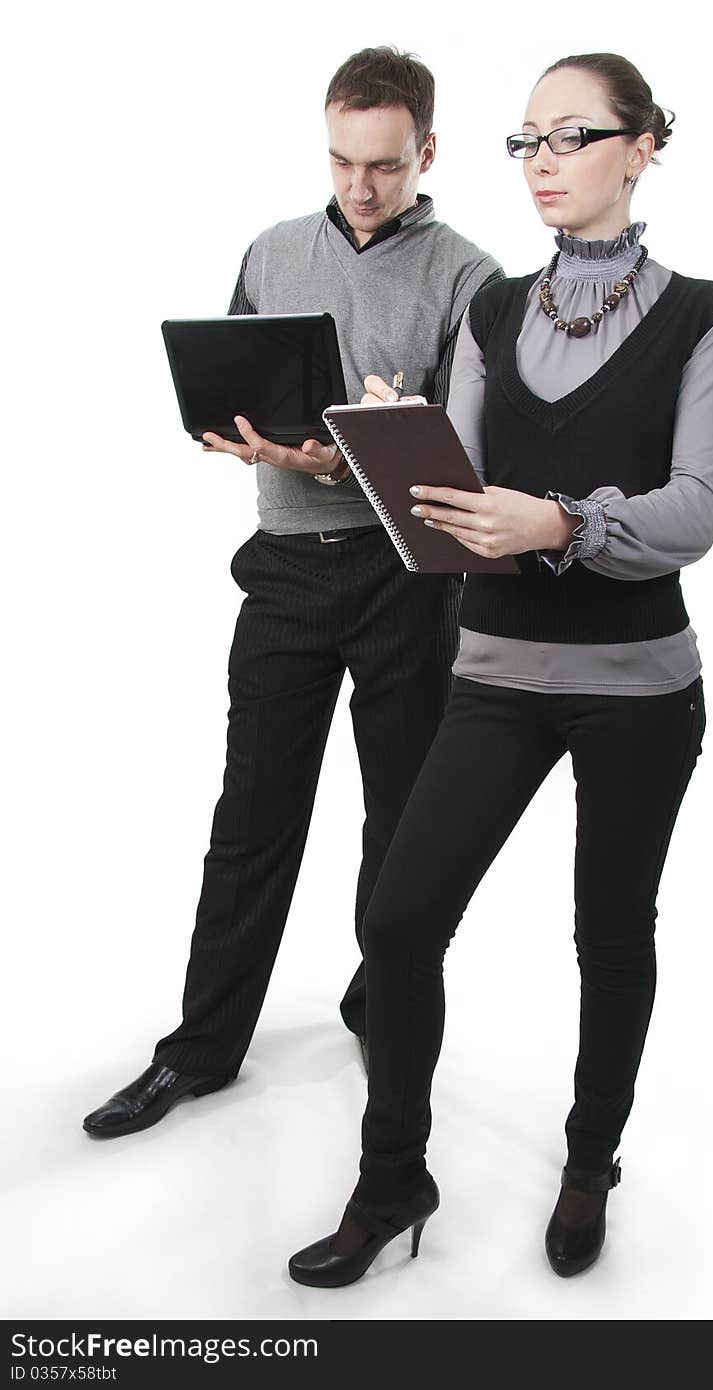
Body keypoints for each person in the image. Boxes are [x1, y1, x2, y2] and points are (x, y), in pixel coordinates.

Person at [287, 51, 713, 1285]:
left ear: (641, 146)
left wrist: (560, 522)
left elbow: (695, 509)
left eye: (571, 136)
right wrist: (387, 445)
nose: (541, 161)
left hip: (641, 683)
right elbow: (449, 515)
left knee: (610, 928)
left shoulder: (702, 313)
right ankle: (394, 1179)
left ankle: (591, 1156)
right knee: (398, 918)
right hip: (493, 668)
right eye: (526, 141)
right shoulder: (489, 312)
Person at [82, 46, 502, 1139]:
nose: (359, 186)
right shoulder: (273, 250)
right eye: (340, 160)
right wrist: (237, 435)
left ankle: (385, 1012)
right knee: (251, 819)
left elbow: (466, 458)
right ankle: (202, 1050)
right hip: (283, 572)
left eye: (384, 165)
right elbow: (238, 373)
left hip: (406, 578)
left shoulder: (470, 277)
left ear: (427, 153)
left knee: (400, 822)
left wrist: (352, 455)